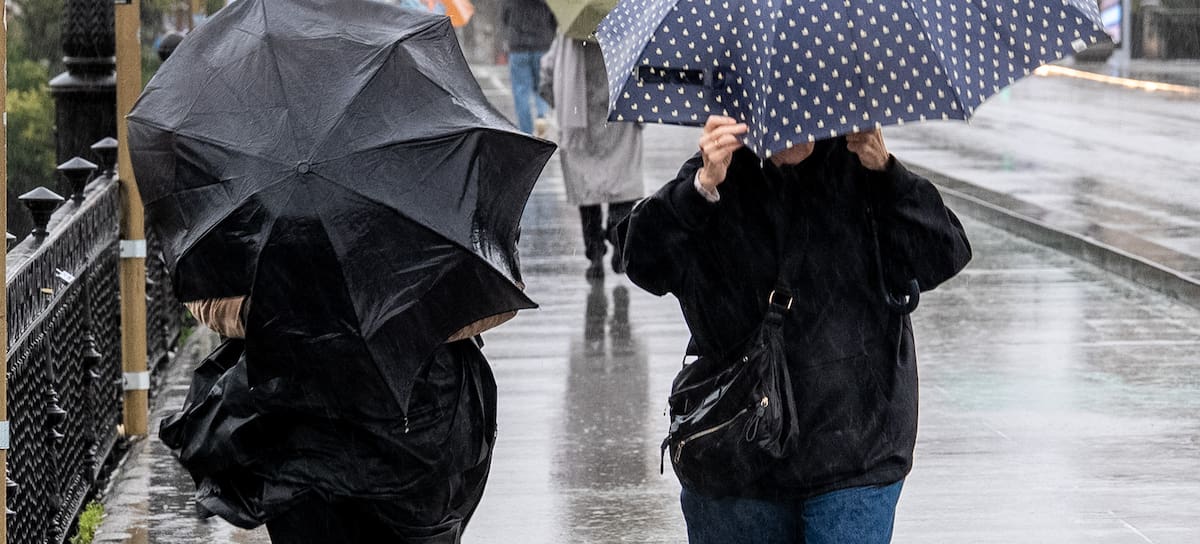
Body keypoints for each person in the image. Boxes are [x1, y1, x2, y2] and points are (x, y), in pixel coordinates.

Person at [619, 116, 972, 543]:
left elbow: (943, 253)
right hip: (739, 453)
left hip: (855, 449)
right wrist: (700, 186)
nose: (792, 129)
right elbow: (644, 263)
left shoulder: (862, 171)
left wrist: (887, 171)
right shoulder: (719, 176)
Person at [540, 36, 645, 279]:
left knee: (587, 189)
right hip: (620, 115)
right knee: (622, 184)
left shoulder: (569, 32)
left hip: (580, 119)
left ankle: (595, 252)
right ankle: (619, 237)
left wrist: (560, 102)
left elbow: (547, 74)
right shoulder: (628, 26)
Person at [500, 0, 556, 136]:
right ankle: (541, 117)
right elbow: (554, 18)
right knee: (541, 85)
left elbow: (505, 17)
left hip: (518, 47)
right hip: (542, 44)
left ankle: (526, 131)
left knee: (520, 91)